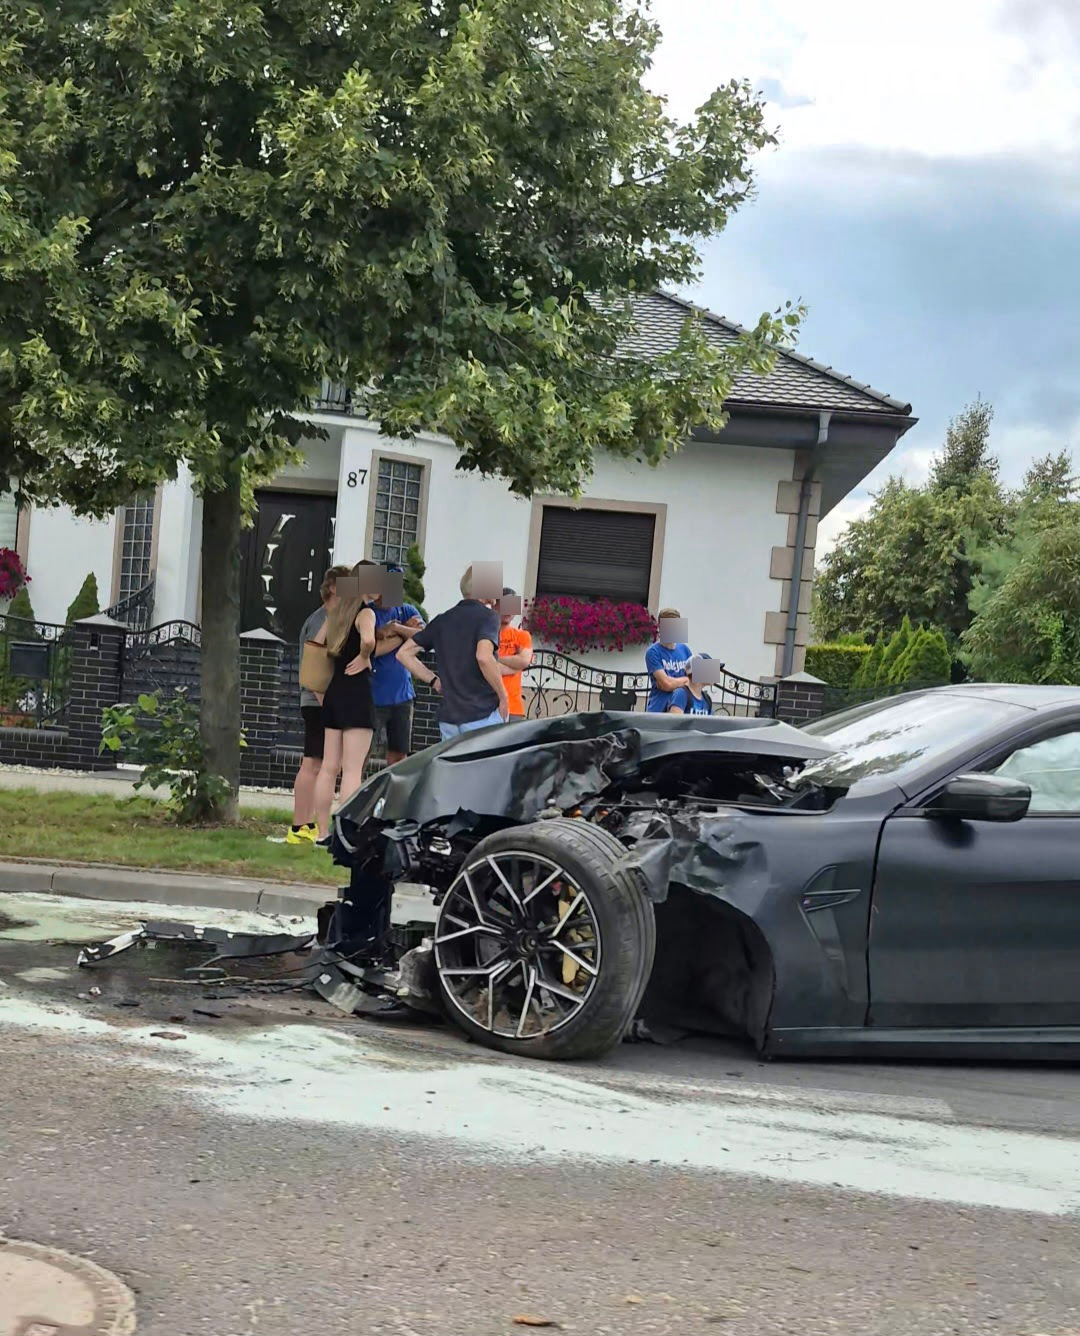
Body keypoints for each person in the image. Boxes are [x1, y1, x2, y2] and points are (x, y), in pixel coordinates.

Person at [396, 565, 509, 740]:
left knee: (453, 760)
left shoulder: (443, 619)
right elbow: (484, 657)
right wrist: (503, 696)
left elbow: (403, 653)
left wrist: (434, 680)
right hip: (482, 714)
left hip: (449, 719)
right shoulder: (489, 617)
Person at [311, 565, 378, 844]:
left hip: (334, 692)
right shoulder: (366, 613)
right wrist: (364, 656)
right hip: (357, 693)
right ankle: (345, 834)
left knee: (329, 767)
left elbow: (317, 644)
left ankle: (322, 832)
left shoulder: (336, 613)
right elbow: (369, 639)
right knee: (352, 770)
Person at [288, 564, 351, 844]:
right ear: (334, 587)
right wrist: (327, 703)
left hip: (320, 699)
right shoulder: (321, 620)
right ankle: (299, 826)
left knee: (317, 763)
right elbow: (313, 664)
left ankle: (306, 824)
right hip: (317, 700)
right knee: (313, 763)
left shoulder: (329, 617)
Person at [370, 562, 425, 765]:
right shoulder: (368, 613)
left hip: (402, 697)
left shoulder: (407, 610)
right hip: (372, 696)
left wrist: (395, 629)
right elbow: (373, 649)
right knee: (362, 753)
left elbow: (423, 637)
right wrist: (405, 634)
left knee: (399, 755)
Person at [645, 607, 693, 712]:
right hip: (659, 710)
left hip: (681, 709)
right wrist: (685, 681)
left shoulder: (685, 649)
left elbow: (696, 681)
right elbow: (666, 684)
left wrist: (677, 682)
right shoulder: (653, 652)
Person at [497, 586, 533, 722]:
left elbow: (524, 661)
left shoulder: (522, 635)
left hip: (513, 708)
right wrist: (515, 665)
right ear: (495, 606)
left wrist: (496, 658)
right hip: (488, 707)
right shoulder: (485, 635)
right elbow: (486, 667)